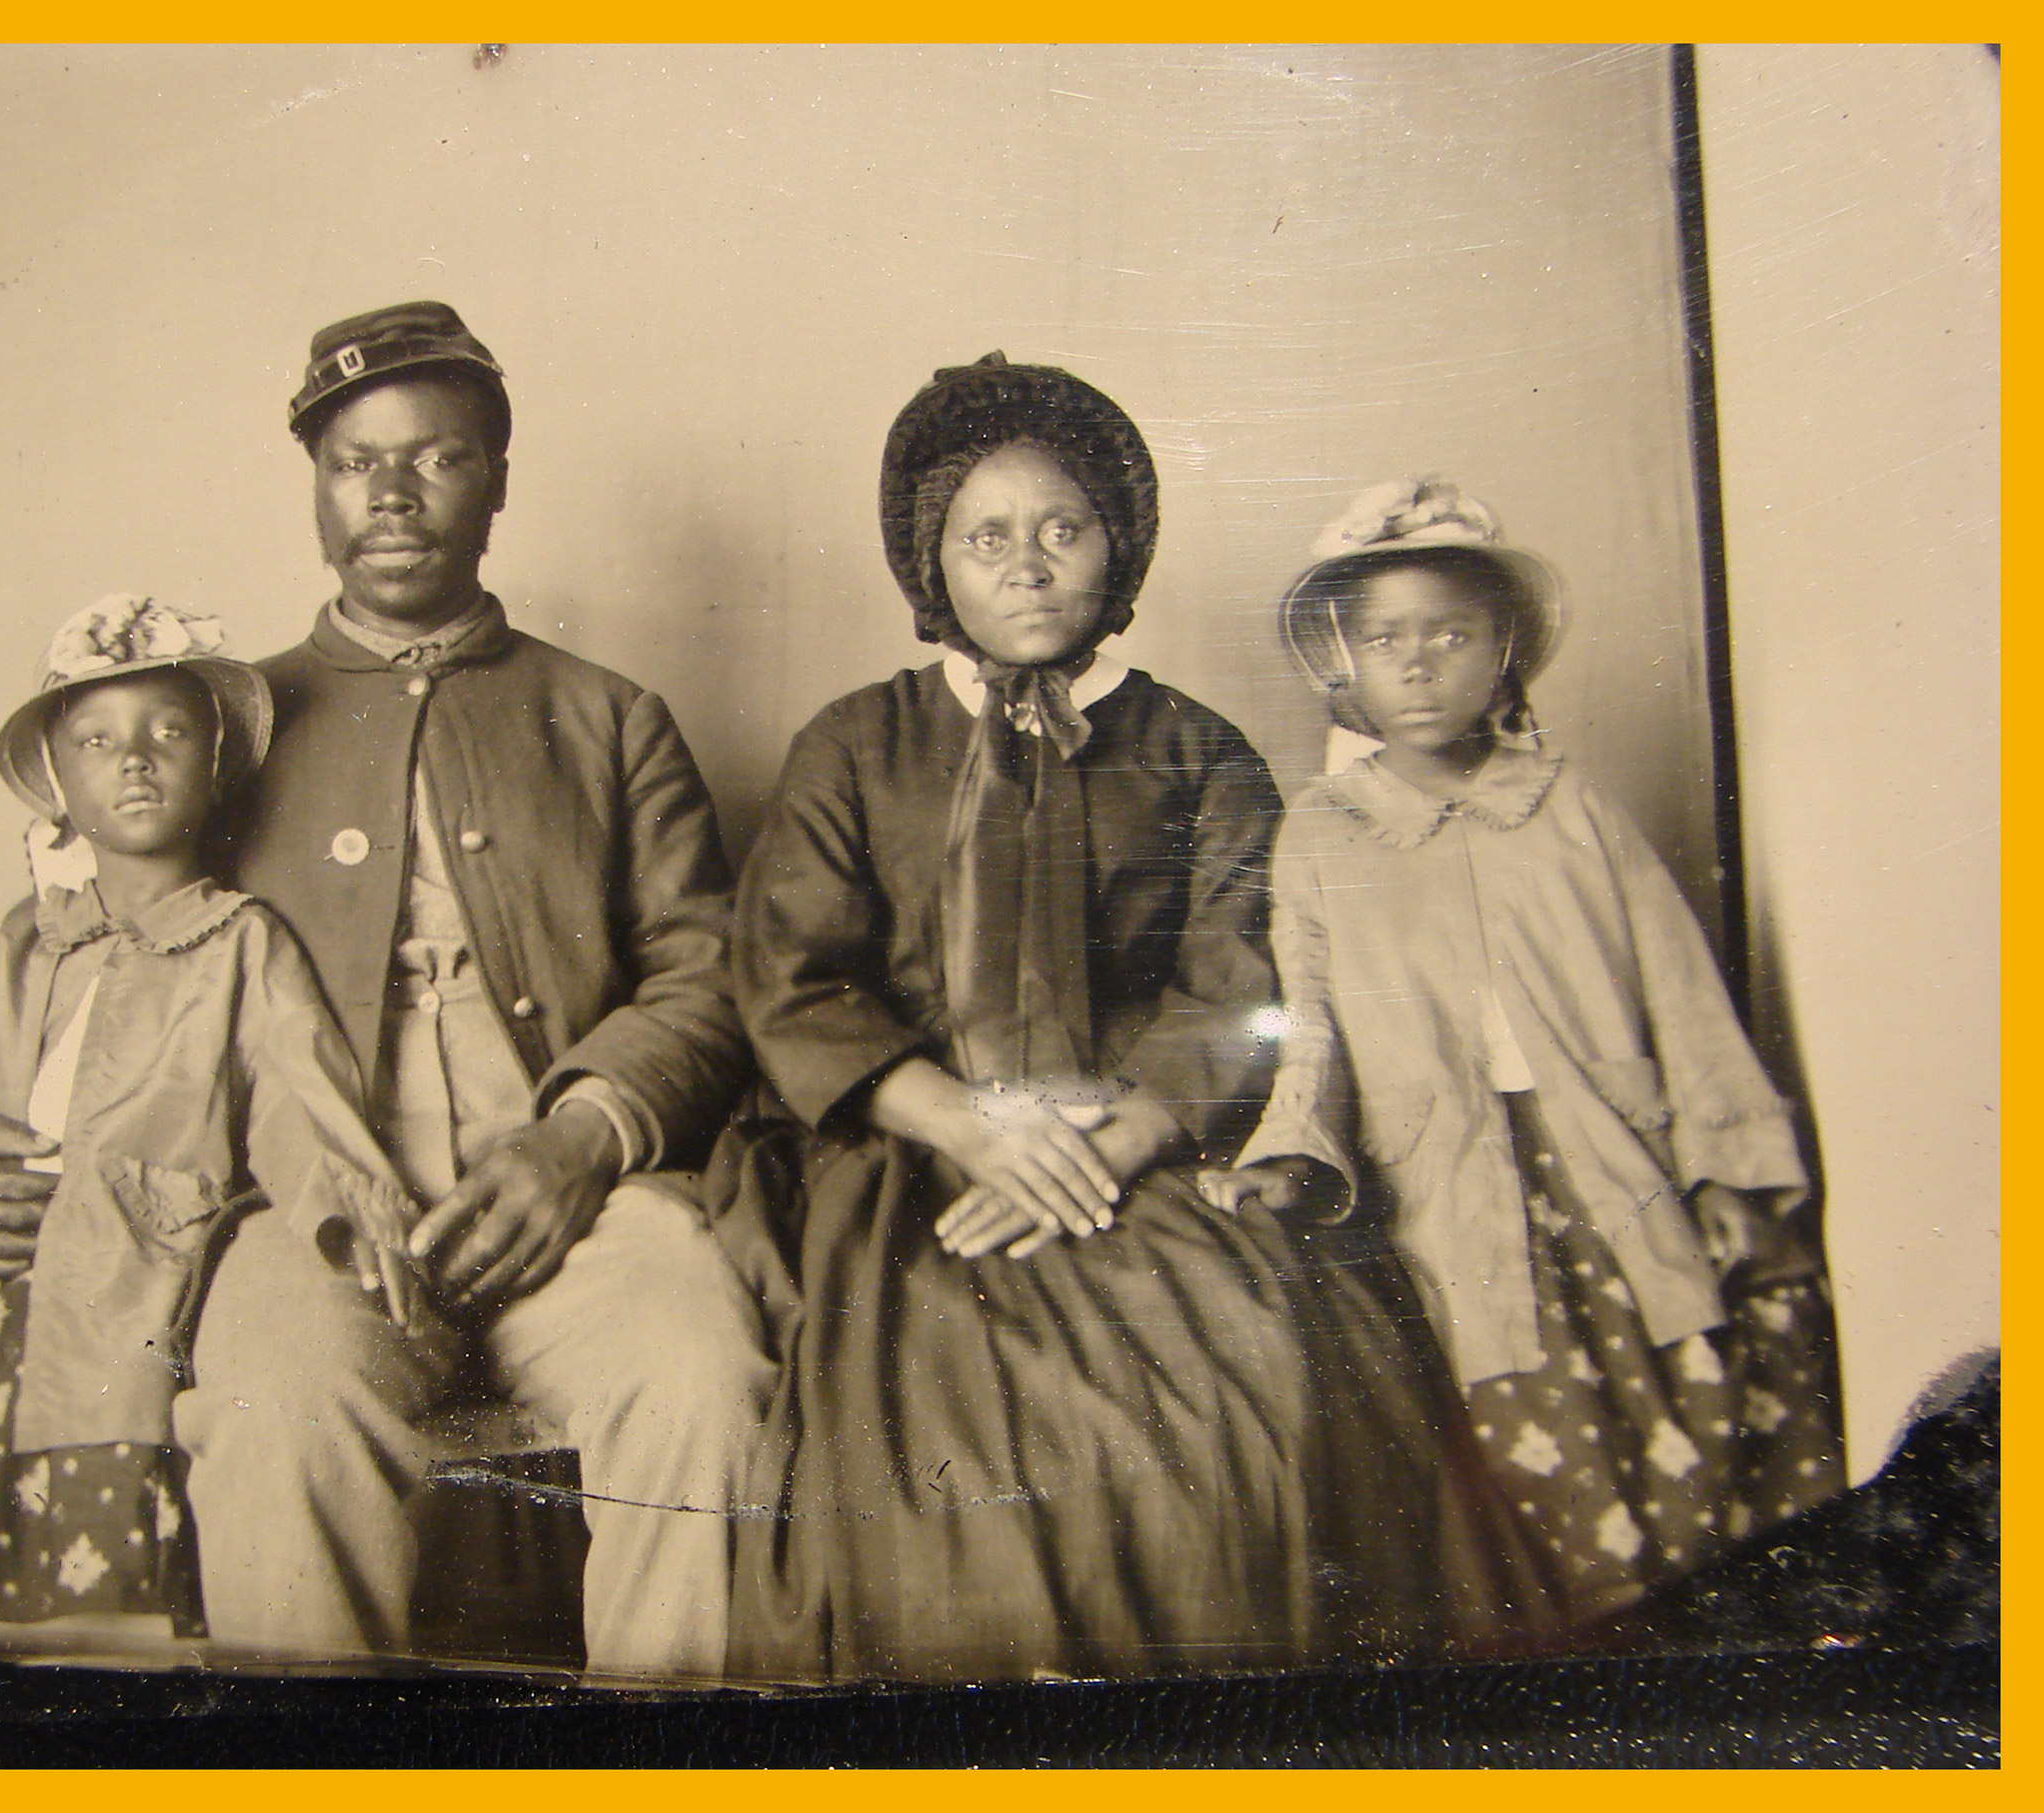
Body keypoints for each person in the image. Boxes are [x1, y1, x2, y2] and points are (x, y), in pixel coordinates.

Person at [0, 303, 775, 1678]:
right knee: (274, 1394)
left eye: (438, 457)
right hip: (297, 1211)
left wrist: (577, 1138)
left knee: (702, 1371)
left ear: (499, 479)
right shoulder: (224, 723)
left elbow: (705, 977)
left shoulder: (606, 716)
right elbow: (59, 946)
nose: (394, 495)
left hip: (574, 1202)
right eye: (356, 462)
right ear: (316, 483)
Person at [711, 358, 1542, 1685]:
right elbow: (795, 979)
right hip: (911, 1147)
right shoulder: (856, 745)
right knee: (930, 1443)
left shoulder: (1198, 751)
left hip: (1137, 1146)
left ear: (1120, 547)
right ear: (933, 562)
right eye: (988, 537)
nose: (1029, 567)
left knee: (1253, 1386)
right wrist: (964, 1124)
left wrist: (1116, 1141)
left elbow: (1239, 985)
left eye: (1064, 530)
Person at [1200, 477, 1844, 1624]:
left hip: (1608, 1157)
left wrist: (1727, 1161)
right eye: (1385, 638)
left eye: (1450, 634)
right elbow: (1314, 1025)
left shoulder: (1566, 804)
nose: (1417, 664)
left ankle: (1726, 1641)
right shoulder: (1324, 832)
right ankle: (1603, 1654)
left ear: (1503, 651)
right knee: (1520, 1421)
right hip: (1452, 1180)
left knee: (1689, 1374)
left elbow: (1679, 991)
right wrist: (1290, 1148)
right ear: (1342, 661)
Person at [0, 597, 430, 1627]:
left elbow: (297, 1097)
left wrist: (349, 1213)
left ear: (218, 763)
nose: (137, 760)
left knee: (104, 1601)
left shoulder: (241, 942)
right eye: (99, 743)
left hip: (129, 1291)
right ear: (60, 786)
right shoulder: (27, 942)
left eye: (169, 733)